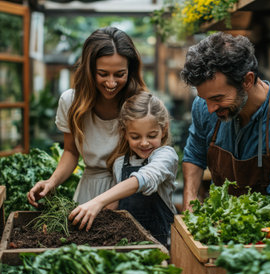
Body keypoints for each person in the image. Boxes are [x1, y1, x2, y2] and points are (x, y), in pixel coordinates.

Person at [180, 31, 270, 215]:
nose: (210, 109)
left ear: (247, 80)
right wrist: (190, 199)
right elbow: (194, 155)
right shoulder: (204, 105)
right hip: (227, 228)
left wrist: (228, 225)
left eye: (218, 98)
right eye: (204, 98)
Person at [27, 26, 147, 207]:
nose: (111, 82)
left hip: (130, 190)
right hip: (89, 190)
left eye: (120, 74)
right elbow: (70, 152)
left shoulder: (140, 104)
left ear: (130, 70)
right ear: (89, 70)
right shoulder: (71, 102)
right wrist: (51, 182)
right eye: (103, 74)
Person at [68, 92, 178, 247]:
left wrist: (97, 201)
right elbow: (118, 204)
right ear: (124, 133)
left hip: (161, 247)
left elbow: (144, 178)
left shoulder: (166, 156)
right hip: (128, 246)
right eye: (135, 137)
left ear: (164, 129)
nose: (144, 143)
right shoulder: (119, 163)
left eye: (152, 135)